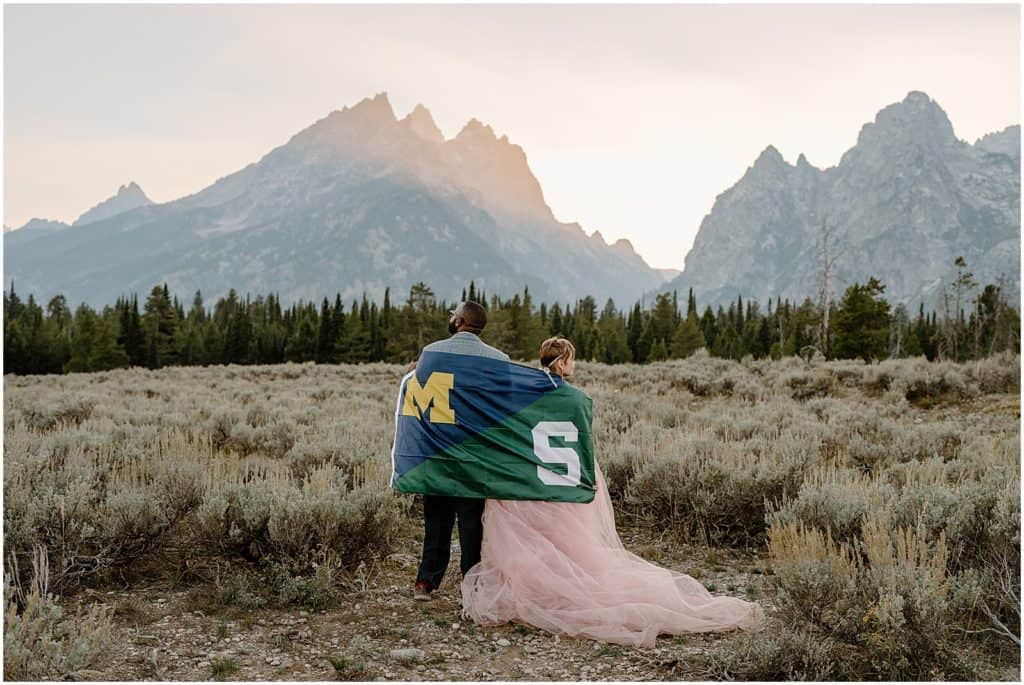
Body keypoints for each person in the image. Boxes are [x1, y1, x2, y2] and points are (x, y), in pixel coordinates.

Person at [460, 336, 764, 646]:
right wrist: (589, 479)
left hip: (528, 482)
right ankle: (562, 586)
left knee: (535, 539)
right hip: (564, 484)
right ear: (563, 363)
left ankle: (538, 587)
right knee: (569, 543)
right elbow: (581, 444)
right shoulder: (577, 399)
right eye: (573, 359)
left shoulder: (519, 397)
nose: (575, 365)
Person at [411, 300, 509, 602]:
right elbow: (503, 406)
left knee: (436, 520)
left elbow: (419, 396)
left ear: (461, 321)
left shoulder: (431, 353)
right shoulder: (498, 359)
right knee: (471, 523)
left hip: (438, 451)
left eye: (453, 313)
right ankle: (474, 586)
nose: (450, 316)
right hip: (475, 455)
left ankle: (426, 583)